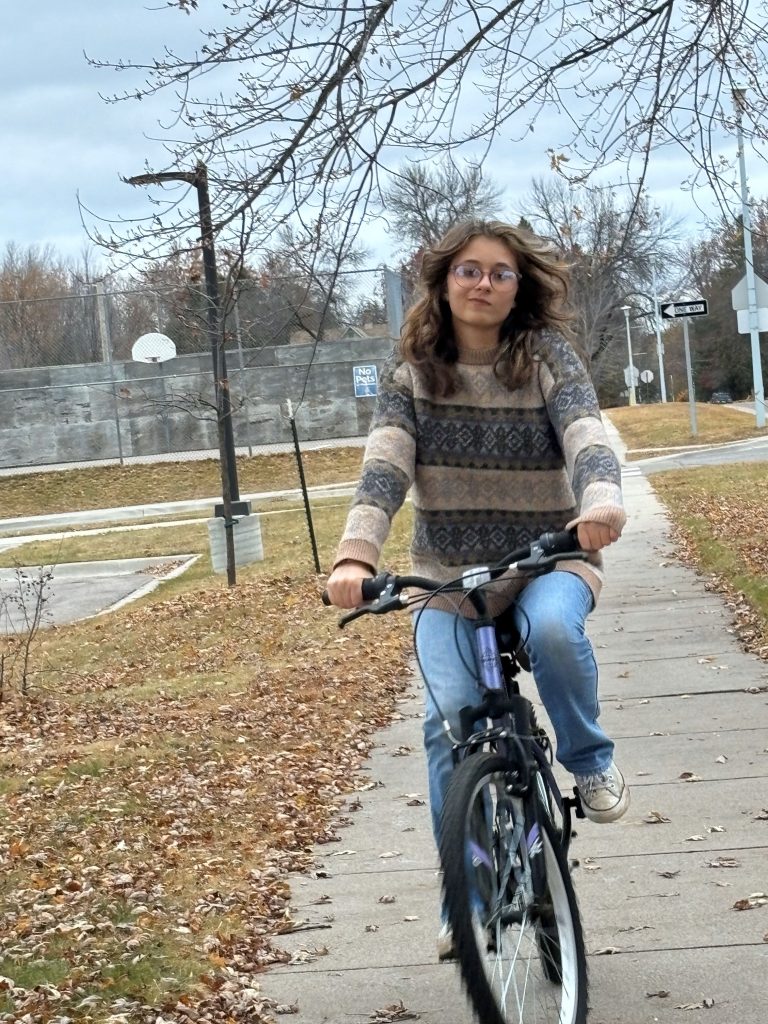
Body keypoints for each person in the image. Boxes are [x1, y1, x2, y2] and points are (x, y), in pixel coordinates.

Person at [324, 219, 628, 959]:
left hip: (548, 559)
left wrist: (599, 503)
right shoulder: (414, 376)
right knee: (448, 721)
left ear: (519, 285)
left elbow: (586, 433)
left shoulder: (547, 356)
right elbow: (384, 469)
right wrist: (356, 557)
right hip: (449, 581)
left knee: (555, 633)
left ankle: (588, 763)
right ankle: (465, 894)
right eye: (468, 270)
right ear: (443, 282)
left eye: (499, 272)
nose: (483, 283)